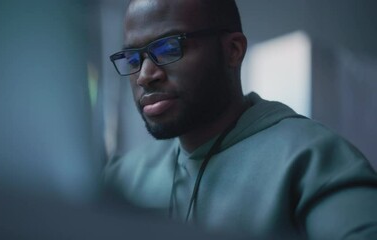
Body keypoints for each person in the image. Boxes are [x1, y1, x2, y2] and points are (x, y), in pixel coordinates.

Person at [105, 0, 377, 239]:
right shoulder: (123, 178)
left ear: (233, 50)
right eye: (132, 59)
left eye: (168, 48)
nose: (144, 76)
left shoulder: (312, 158)